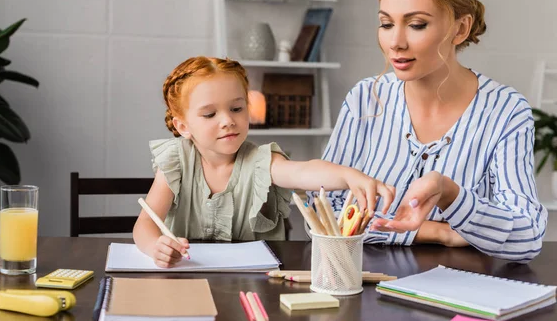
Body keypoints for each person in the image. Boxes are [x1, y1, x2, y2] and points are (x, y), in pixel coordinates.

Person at [312, 0, 547, 262]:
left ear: (460, 28)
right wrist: (440, 232)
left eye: (417, 24)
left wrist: (451, 194)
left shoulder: (506, 111)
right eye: (386, 24)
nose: (395, 42)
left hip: (464, 295)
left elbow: (526, 237)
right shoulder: (365, 98)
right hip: (365, 292)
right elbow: (323, 214)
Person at [133, 56, 395, 267]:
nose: (227, 120)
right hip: (185, 280)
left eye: (237, 108)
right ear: (183, 126)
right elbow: (145, 224)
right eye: (210, 114)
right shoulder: (176, 160)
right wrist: (155, 247)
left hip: (255, 283)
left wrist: (350, 176)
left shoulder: (261, 161)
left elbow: (304, 171)